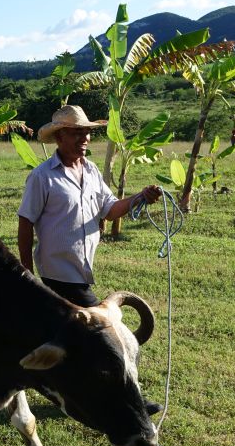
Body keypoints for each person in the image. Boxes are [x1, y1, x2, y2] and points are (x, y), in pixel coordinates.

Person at [17, 105, 161, 306]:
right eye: (77, 133)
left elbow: (110, 210)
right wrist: (28, 275)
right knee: (100, 326)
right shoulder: (42, 177)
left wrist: (141, 196)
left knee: (70, 332)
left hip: (81, 271)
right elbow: (25, 222)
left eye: (87, 132)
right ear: (60, 137)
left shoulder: (91, 170)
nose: (84, 138)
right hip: (58, 274)